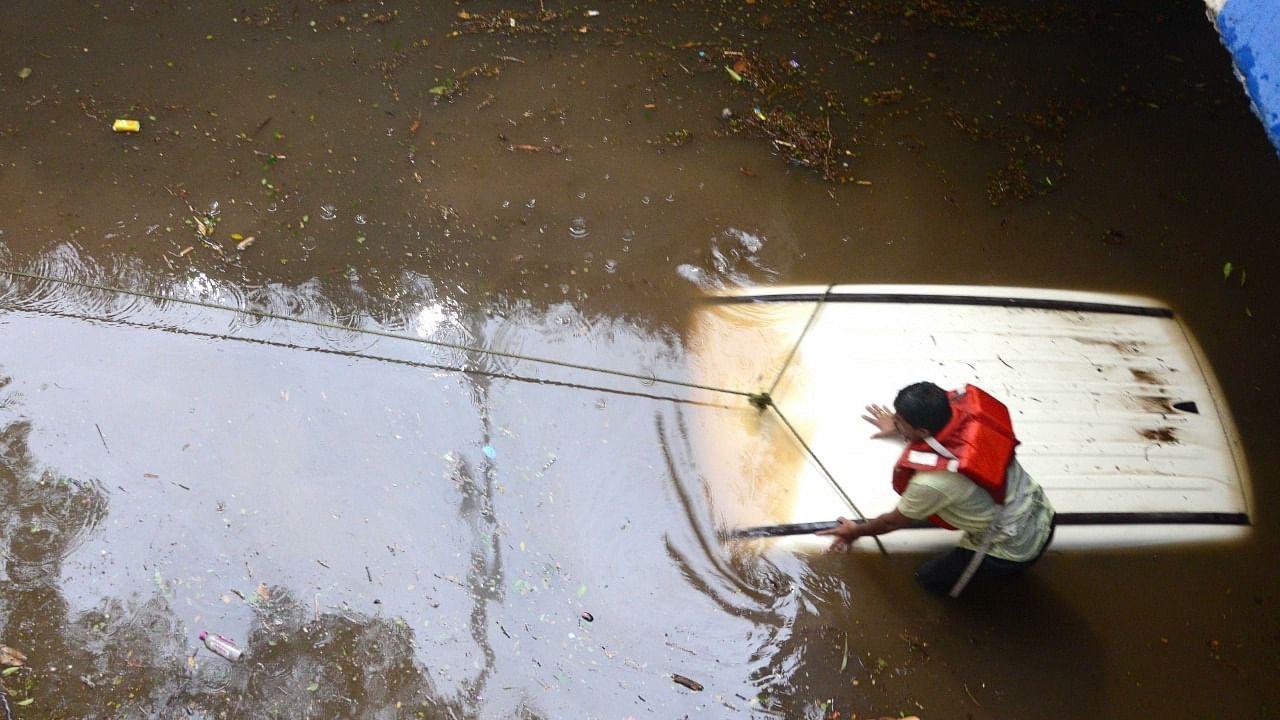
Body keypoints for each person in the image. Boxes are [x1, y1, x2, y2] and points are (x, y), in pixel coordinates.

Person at [817, 381, 1055, 597]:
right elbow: (943, 440)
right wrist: (900, 426)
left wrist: (854, 532)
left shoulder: (932, 482)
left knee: (929, 580)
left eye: (900, 421)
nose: (894, 421)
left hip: (1013, 547)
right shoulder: (964, 418)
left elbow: (892, 522)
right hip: (1042, 511)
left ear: (923, 431)